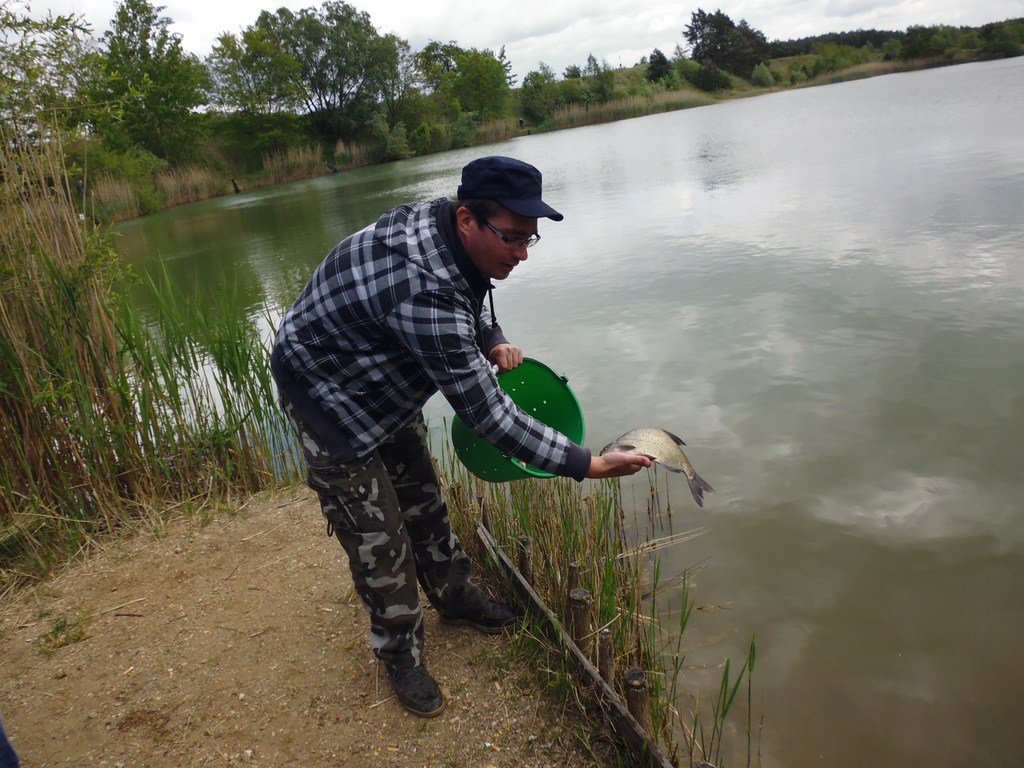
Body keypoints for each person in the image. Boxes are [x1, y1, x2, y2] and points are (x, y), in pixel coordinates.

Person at [270, 155, 650, 717]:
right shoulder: (423, 288)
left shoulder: (447, 227)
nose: (522, 253)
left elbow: (468, 301)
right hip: (327, 396)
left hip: (379, 375)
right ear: (469, 219)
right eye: (513, 238)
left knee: (423, 499)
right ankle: (401, 655)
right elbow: (489, 416)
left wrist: (491, 337)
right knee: (380, 540)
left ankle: (455, 596)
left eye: (530, 238)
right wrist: (584, 463)